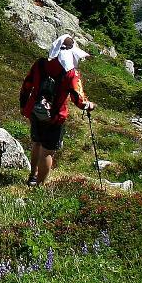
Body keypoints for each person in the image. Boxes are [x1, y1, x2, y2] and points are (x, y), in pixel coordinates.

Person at [19, 34, 94, 186]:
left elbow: (27, 85)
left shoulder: (40, 64)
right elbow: (78, 99)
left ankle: (32, 176)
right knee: (48, 151)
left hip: (35, 110)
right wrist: (89, 105)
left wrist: (23, 106)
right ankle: (39, 187)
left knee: (37, 143)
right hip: (55, 117)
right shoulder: (71, 73)